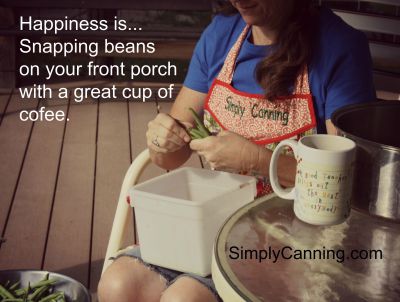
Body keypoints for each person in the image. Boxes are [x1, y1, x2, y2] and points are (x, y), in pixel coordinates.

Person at [98, 0, 375, 301]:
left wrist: (257, 160)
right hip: (210, 222)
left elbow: (352, 180)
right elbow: (166, 157)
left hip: (292, 239)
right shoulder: (221, 34)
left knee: (184, 299)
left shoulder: (340, 47)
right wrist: (160, 140)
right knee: (119, 285)